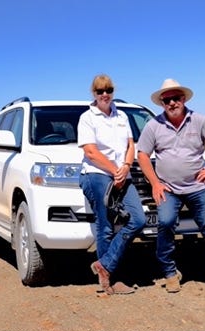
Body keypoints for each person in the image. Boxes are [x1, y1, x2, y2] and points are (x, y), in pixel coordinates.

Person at [136, 79, 205, 295]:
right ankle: (170, 274)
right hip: (168, 189)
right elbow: (142, 154)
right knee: (166, 224)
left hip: (197, 187)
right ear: (162, 103)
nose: (172, 103)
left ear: (183, 99)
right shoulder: (154, 126)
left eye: (176, 98)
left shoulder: (200, 121)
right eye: (167, 99)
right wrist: (155, 183)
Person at [77, 75, 145, 295]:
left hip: (121, 173)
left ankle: (104, 266)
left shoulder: (122, 115)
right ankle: (110, 281)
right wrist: (115, 170)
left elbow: (130, 145)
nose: (105, 94)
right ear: (93, 93)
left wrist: (126, 165)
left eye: (109, 90)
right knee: (105, 225)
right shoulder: (87, 118)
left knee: (139, 219)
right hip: (97, 174)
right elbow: (90, 151)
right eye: (100, 91)